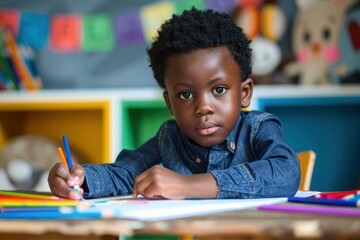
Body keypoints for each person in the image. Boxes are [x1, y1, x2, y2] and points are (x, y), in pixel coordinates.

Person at [48, 8, 300, 200]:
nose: (203, 107)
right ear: (169, 103)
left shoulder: (258, 129)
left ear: (244, 93)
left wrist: (187, 185)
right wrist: (80, 179)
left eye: (219, 89)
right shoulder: (169, 137)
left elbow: (285, 173)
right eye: (186, 95)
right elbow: (125, 173)